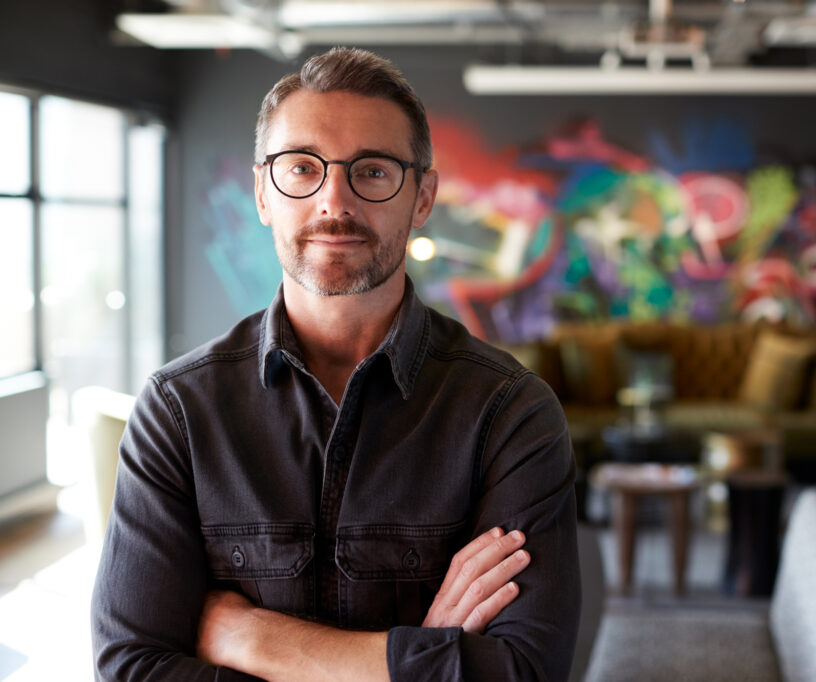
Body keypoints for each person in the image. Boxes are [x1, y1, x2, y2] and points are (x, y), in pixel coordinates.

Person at [91, 47, 580, 681]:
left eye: (372, 171)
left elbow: (525, 672)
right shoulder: (179, 411)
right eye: (302, 168)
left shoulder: (510, 412)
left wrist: (254, 639)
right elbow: (130, 668)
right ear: (264, 192)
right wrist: (420, 656)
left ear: (423, 197)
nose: (334, 201)